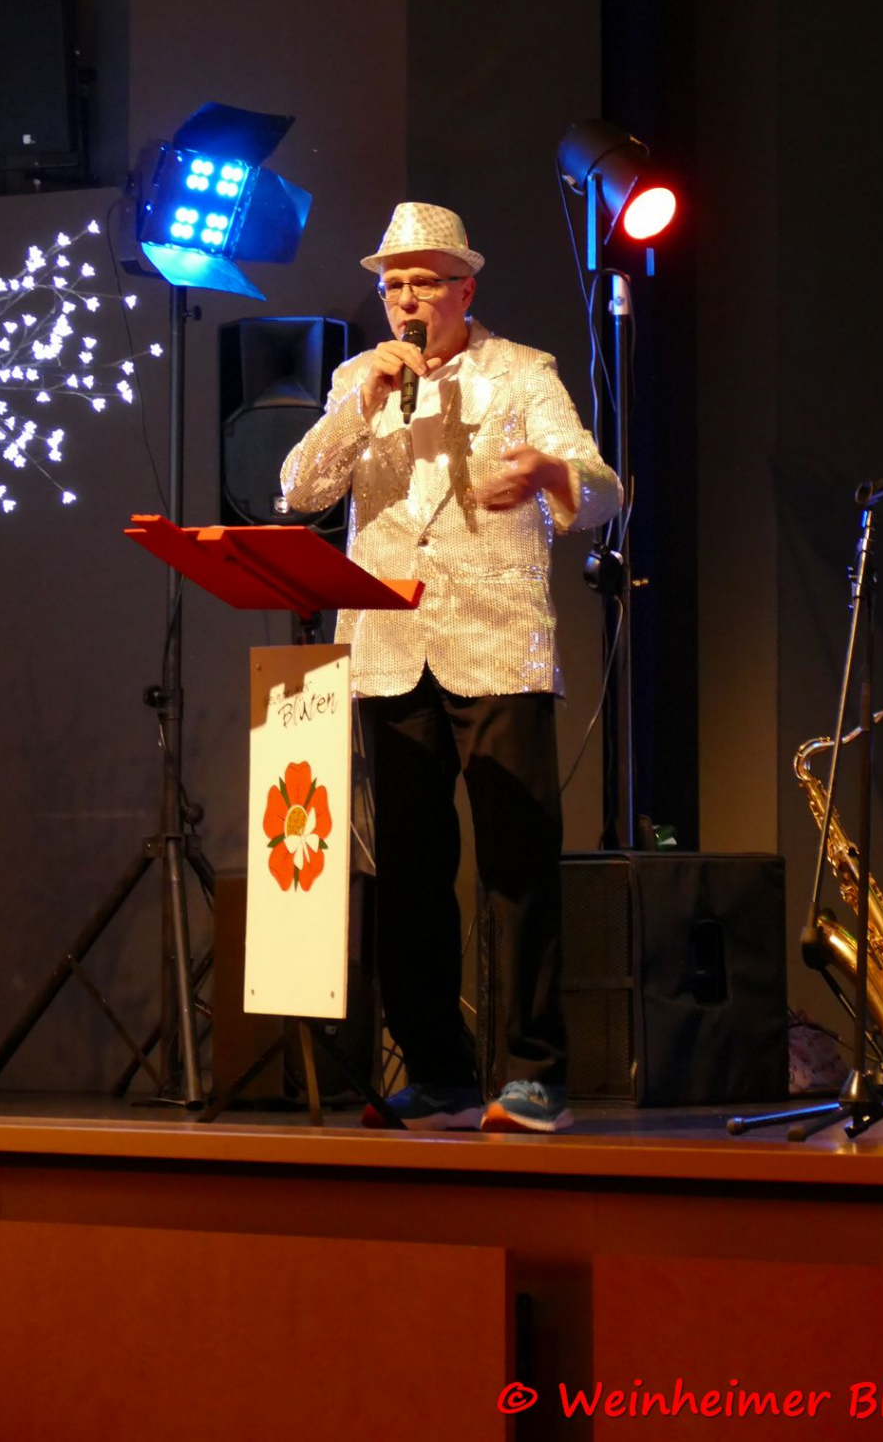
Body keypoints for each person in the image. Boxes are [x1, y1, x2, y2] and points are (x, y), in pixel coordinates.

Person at [280, 202, 621, 1133]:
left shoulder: (524, 372)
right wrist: (360, 406)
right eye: (393, 284)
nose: (405, 299)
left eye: (424, 282)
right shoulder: (358, 379)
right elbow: (298, 490)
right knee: (411, 871)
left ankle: (536, 1074)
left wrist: (547, 474)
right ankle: (438, 1071)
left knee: (517, 863)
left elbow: (601, 490)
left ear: (464, 291)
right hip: (390, 649)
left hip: (495, 643)